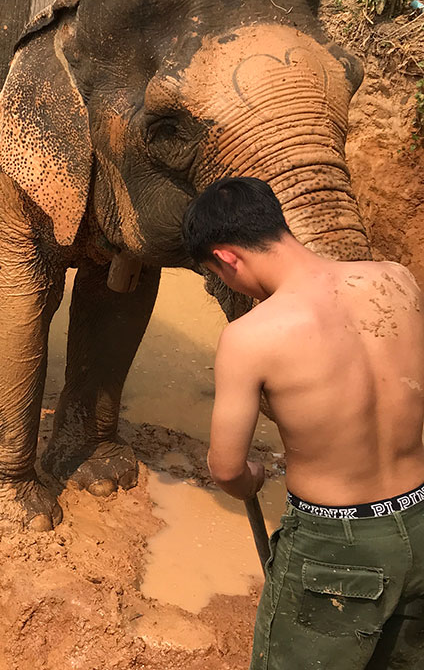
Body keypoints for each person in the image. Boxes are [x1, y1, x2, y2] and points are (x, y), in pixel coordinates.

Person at [182, 177, 424, 670]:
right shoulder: (396, 279)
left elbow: (227, 469)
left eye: (217, 273)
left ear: (228, 258)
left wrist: (254, 476)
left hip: (336, 549)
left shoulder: (250, 337)